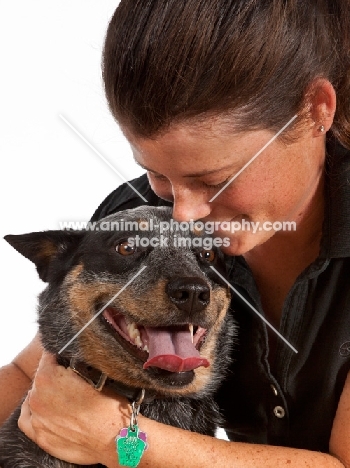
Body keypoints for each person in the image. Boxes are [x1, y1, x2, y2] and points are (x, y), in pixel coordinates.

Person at [1, 0, 350, 466]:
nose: (182, 214)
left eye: (213, 180)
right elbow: (30, 372)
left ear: (314, 110)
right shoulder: (142, 213)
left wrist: (115, 438)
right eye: (158, 175)